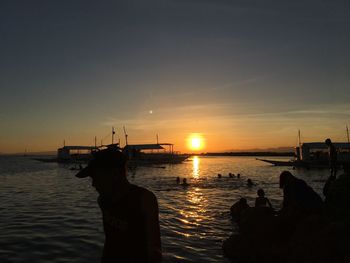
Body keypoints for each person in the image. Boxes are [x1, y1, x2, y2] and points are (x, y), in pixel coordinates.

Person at [75, 148, 162, 263]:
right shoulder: (103, 201)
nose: (93, 184)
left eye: (96, 177)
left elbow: (154, 246)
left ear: (115, 173)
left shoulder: (143, 200)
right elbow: (110, 241)